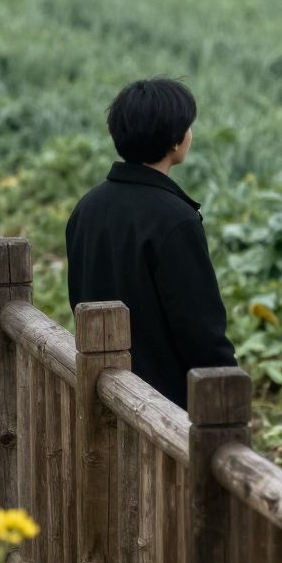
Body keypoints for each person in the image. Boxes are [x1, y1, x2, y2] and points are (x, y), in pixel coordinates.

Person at [64, 77, 236, 408]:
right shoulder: (175, 219)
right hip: (161, 407)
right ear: (175, 140)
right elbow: (200, 331)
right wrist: (228, 391)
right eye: (188, 126)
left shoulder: (87, 207)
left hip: (98, 389)